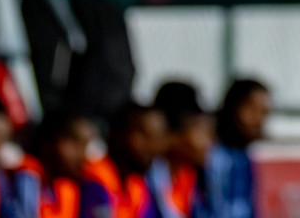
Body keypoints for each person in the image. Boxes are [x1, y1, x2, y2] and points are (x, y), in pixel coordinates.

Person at [81, 102, 164, 218]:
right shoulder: (94, 179)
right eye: (145, 135)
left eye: (157, 137)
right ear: (118, 133)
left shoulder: (137, 185)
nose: (153, 146)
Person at [204, 81, 268, 218]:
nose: (258, 120)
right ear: (233, 107)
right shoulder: (210, 155)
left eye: (264, 113)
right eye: (251, 110)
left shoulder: (243, 156)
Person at [149, 84, 211, 218]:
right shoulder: (145, 179)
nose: (209, 143)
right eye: (202, 131)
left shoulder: (187, 176)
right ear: (173, 134)